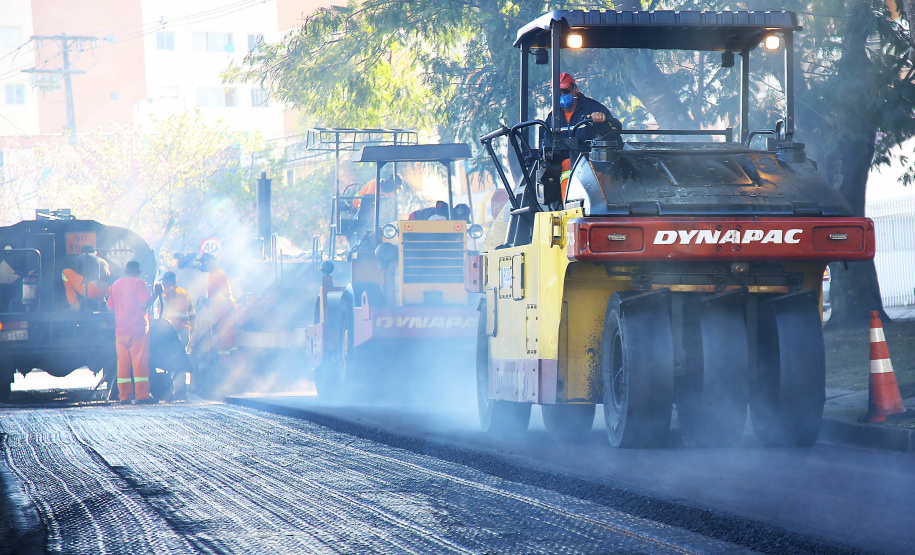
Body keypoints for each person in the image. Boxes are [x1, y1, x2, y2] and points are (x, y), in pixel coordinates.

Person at [543, 73, 622, 199]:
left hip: (595, 162)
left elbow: (613, 136)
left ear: (575, 90)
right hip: (565, 166)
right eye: (558, 93)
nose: (562, 96)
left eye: (566, 91)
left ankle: (596, 206)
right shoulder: (552, 118)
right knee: (565, 166)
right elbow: (546, 144)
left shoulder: (593, 108)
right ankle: (571, 205)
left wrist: (600, 122)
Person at [107, 260, 162, 404]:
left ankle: (124, 396)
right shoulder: (139, 283)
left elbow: (110, 307)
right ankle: (141, 396)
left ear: (125, 271)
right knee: (140, 363)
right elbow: (144, 304)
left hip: (120, 332)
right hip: (137, 330)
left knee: (123, 365)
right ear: (138, 272)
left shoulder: (115, 285)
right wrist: (156, 294)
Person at [197, 253, 237, 355]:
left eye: (203, 263)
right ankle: (223, 363)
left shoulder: (218, 275)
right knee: (221, 342)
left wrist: (211, 301)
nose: (202, 265)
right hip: (220, 313)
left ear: (209, 263)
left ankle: (224, 365)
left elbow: (224, 294)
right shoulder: (212, 275)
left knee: (224, 342)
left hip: (225, 313)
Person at [62, 244, 112, 311]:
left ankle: (73, 304)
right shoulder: (104, 261)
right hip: (105, 292)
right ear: (95, 252)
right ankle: (101, 301)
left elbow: (78, 273)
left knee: (66, 272)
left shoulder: (82, 256)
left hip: (90, 289)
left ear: (82, 252)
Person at [158, 271, 196, 353]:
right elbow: (192, 313)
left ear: (170, 281)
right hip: (185, 331)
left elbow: (162, 311)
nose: (163, 284)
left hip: (173, 332)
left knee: (171, 358)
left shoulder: (168, 293)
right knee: (182, 356)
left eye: (164, 281)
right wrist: (192, 328)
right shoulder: (183, 292)